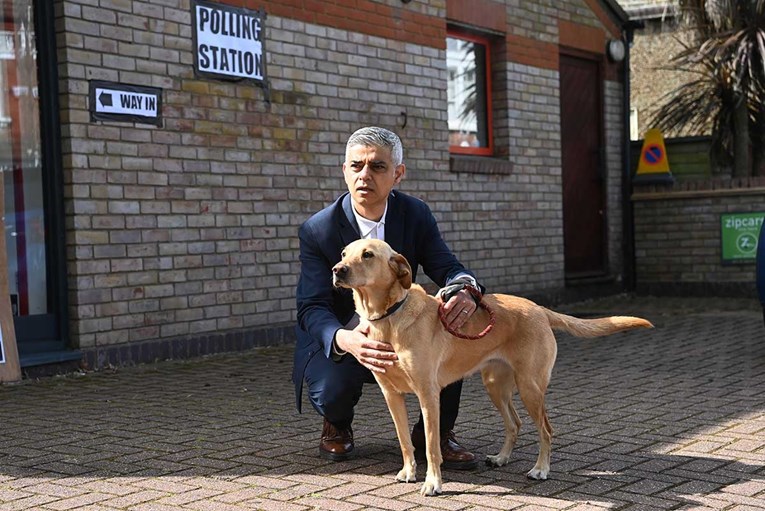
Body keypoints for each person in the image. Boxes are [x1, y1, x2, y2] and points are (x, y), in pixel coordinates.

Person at [292, 126, 483, 470]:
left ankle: (435, 435)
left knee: (450, 327)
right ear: (344, 171)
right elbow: (311, 306)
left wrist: (465, 289)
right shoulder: (318, 229)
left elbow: (447, 265)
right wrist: (344, 339)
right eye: (356, 166)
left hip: (404, 331)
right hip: (348, 334)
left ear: (398, 174)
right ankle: (336, 424)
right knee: (331, 391)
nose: (365, 175)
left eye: (378, 167)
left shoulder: (415, 214)